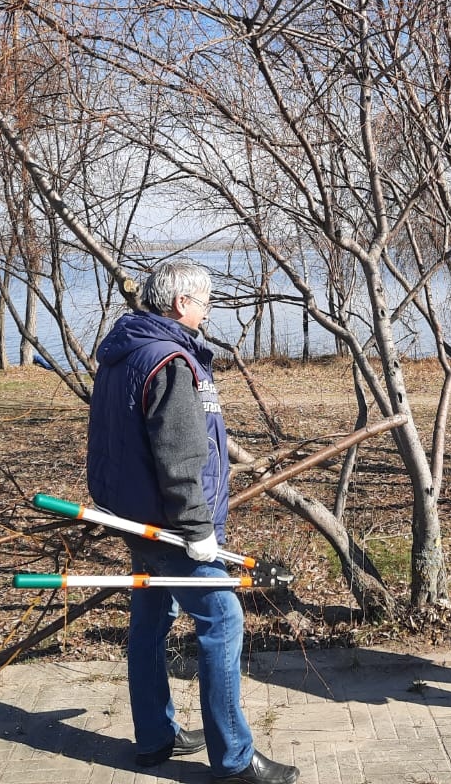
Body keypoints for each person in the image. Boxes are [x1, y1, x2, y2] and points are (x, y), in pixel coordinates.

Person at [86, 261, 298, 784]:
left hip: (134, 516)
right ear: (181, 304)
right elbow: (178, 457)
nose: (208, 310)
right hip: (172, 525)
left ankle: (156, 736)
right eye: (205, 302)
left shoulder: (123, 353)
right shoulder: (171, 361)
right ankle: (233, 760)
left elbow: (140, 435)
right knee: (224, 621)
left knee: (151, 624)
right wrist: (198, 529)